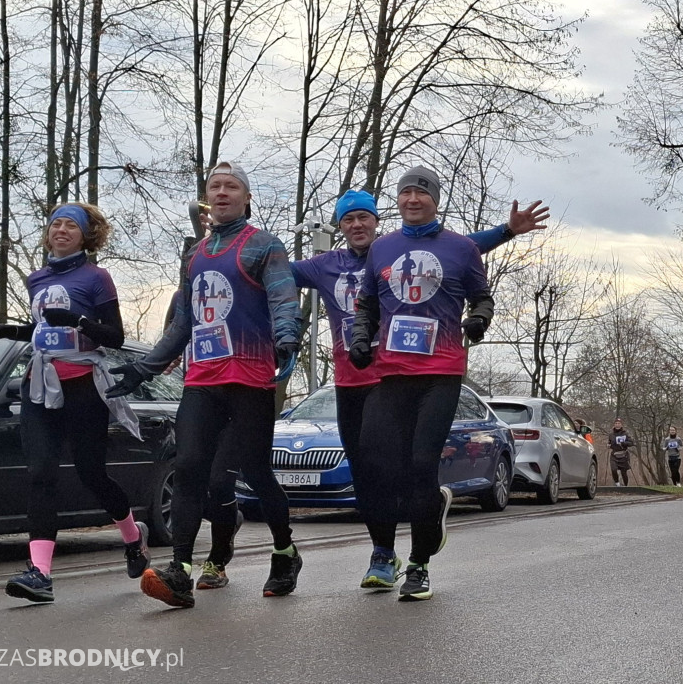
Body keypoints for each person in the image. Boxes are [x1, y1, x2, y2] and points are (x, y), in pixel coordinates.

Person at [195, 188, 548, 591]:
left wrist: (506, 230)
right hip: (350, 381)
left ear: (377, 222)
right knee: (367, 475)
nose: (358, 225)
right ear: (340, 226)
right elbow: (268, 269)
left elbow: (464, 246)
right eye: (349, 219)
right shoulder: (323, 265)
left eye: (365, 217)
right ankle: (383, 553)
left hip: (391, 378)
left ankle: (423, 529)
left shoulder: (396, 251)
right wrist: (221, 243)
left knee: (406, 471)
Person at [107, 162, 304, 608]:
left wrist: (288, 337)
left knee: (251, 472)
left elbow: (282, 296)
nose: (221, 193)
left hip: (250, 377)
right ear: (207, 198)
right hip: (202, 379)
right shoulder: (195, 254)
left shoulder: (263, 245)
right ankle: (181, 570)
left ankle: (285, 551)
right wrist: (146, 368)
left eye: (231, 186)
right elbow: (184, 321)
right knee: (191, 465)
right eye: (214, 186)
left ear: (247, 197)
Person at [0, 203, 149, 603]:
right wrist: (16, 331)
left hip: (82, 387)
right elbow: (46, 330)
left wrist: (77, 321)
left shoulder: (96, 277)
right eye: (55, 223)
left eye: (69, 225)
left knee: (92, 474)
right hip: (40, 386)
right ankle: (39, 573)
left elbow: (112, 336)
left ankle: (132, 537)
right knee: (41, 473)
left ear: (85, 235)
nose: (60, 230)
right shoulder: (36, 277)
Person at [349, 165, 495, 601]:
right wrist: (361, 336)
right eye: (406, 193)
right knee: (374, 464)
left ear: (435, 199)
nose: (412, 199)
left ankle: (418, 565)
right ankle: (383, 556)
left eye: (421, 193)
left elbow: (481, 295)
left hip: (441, 373)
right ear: (398, 200)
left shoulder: (461, 248)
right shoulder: (382, 248)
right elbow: (367, 303)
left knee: (418, 466)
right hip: (392, 373)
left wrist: (479, 319)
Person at [608, 418, 635, 487]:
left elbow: (631, 443)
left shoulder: (625, 433)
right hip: (614, 454)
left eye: (619, 423)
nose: (617, 425)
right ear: (614, 425)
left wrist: (624, 443)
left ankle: (625, 487)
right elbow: (609, 443)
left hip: (623, 454)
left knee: (623, 472)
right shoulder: (611, 434)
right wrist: (608, 445)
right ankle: (617, 484)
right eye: (616, 423)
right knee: (613, 469)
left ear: (621, 425)